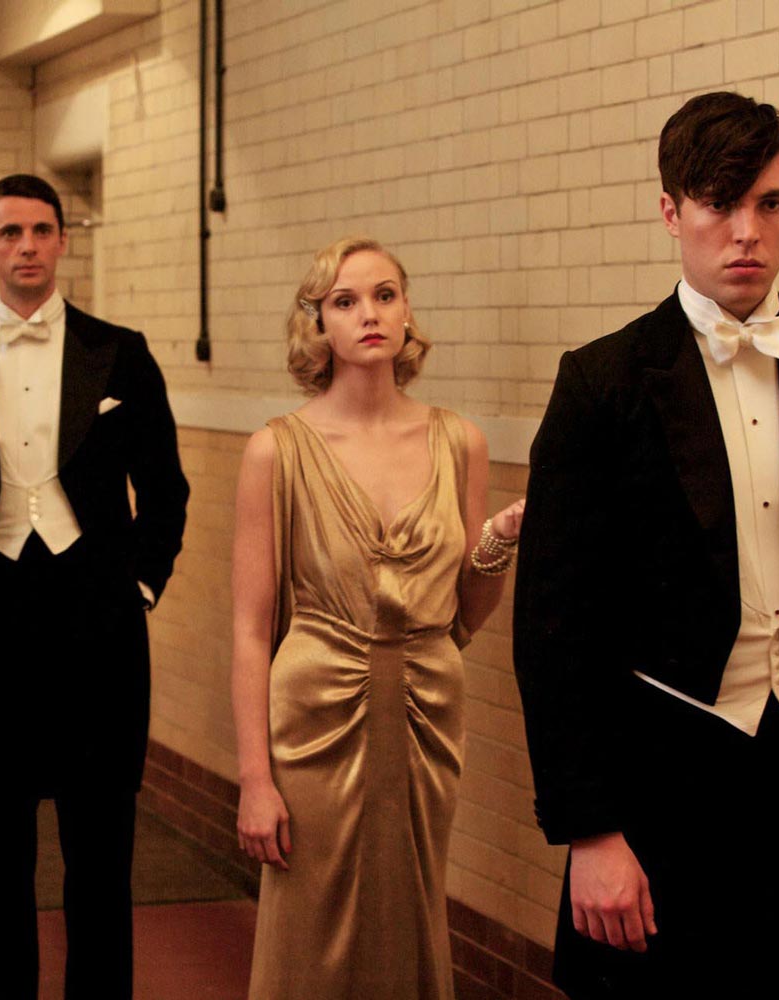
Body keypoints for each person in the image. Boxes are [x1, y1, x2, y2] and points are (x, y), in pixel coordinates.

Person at [514, 91, 779, 998]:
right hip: (667, 779)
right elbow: (555, 628)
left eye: (770, 202)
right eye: (719, 204)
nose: (746, 232)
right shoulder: (602, 381)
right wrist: (590, 830)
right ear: (670, 211)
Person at [230, 236, 524, 999]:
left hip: (428, 707)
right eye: (346, 300)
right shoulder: (276, 451)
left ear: (407, 312)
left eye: (385, 295)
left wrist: (497, 543)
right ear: (318, 323)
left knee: (409, 906)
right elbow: (251, 631)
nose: (370, 313)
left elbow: (465, 615)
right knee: (311, 921)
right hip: (313, 716)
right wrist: (255, 779)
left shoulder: (458, 441)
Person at [0, 172, 190, 998]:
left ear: (64, 241)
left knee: (101, 857)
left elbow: (166, 488)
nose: (27, 247)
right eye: (10, 233)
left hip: (101, 631)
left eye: (42, 230)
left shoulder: (123, 352)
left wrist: (140, 587)